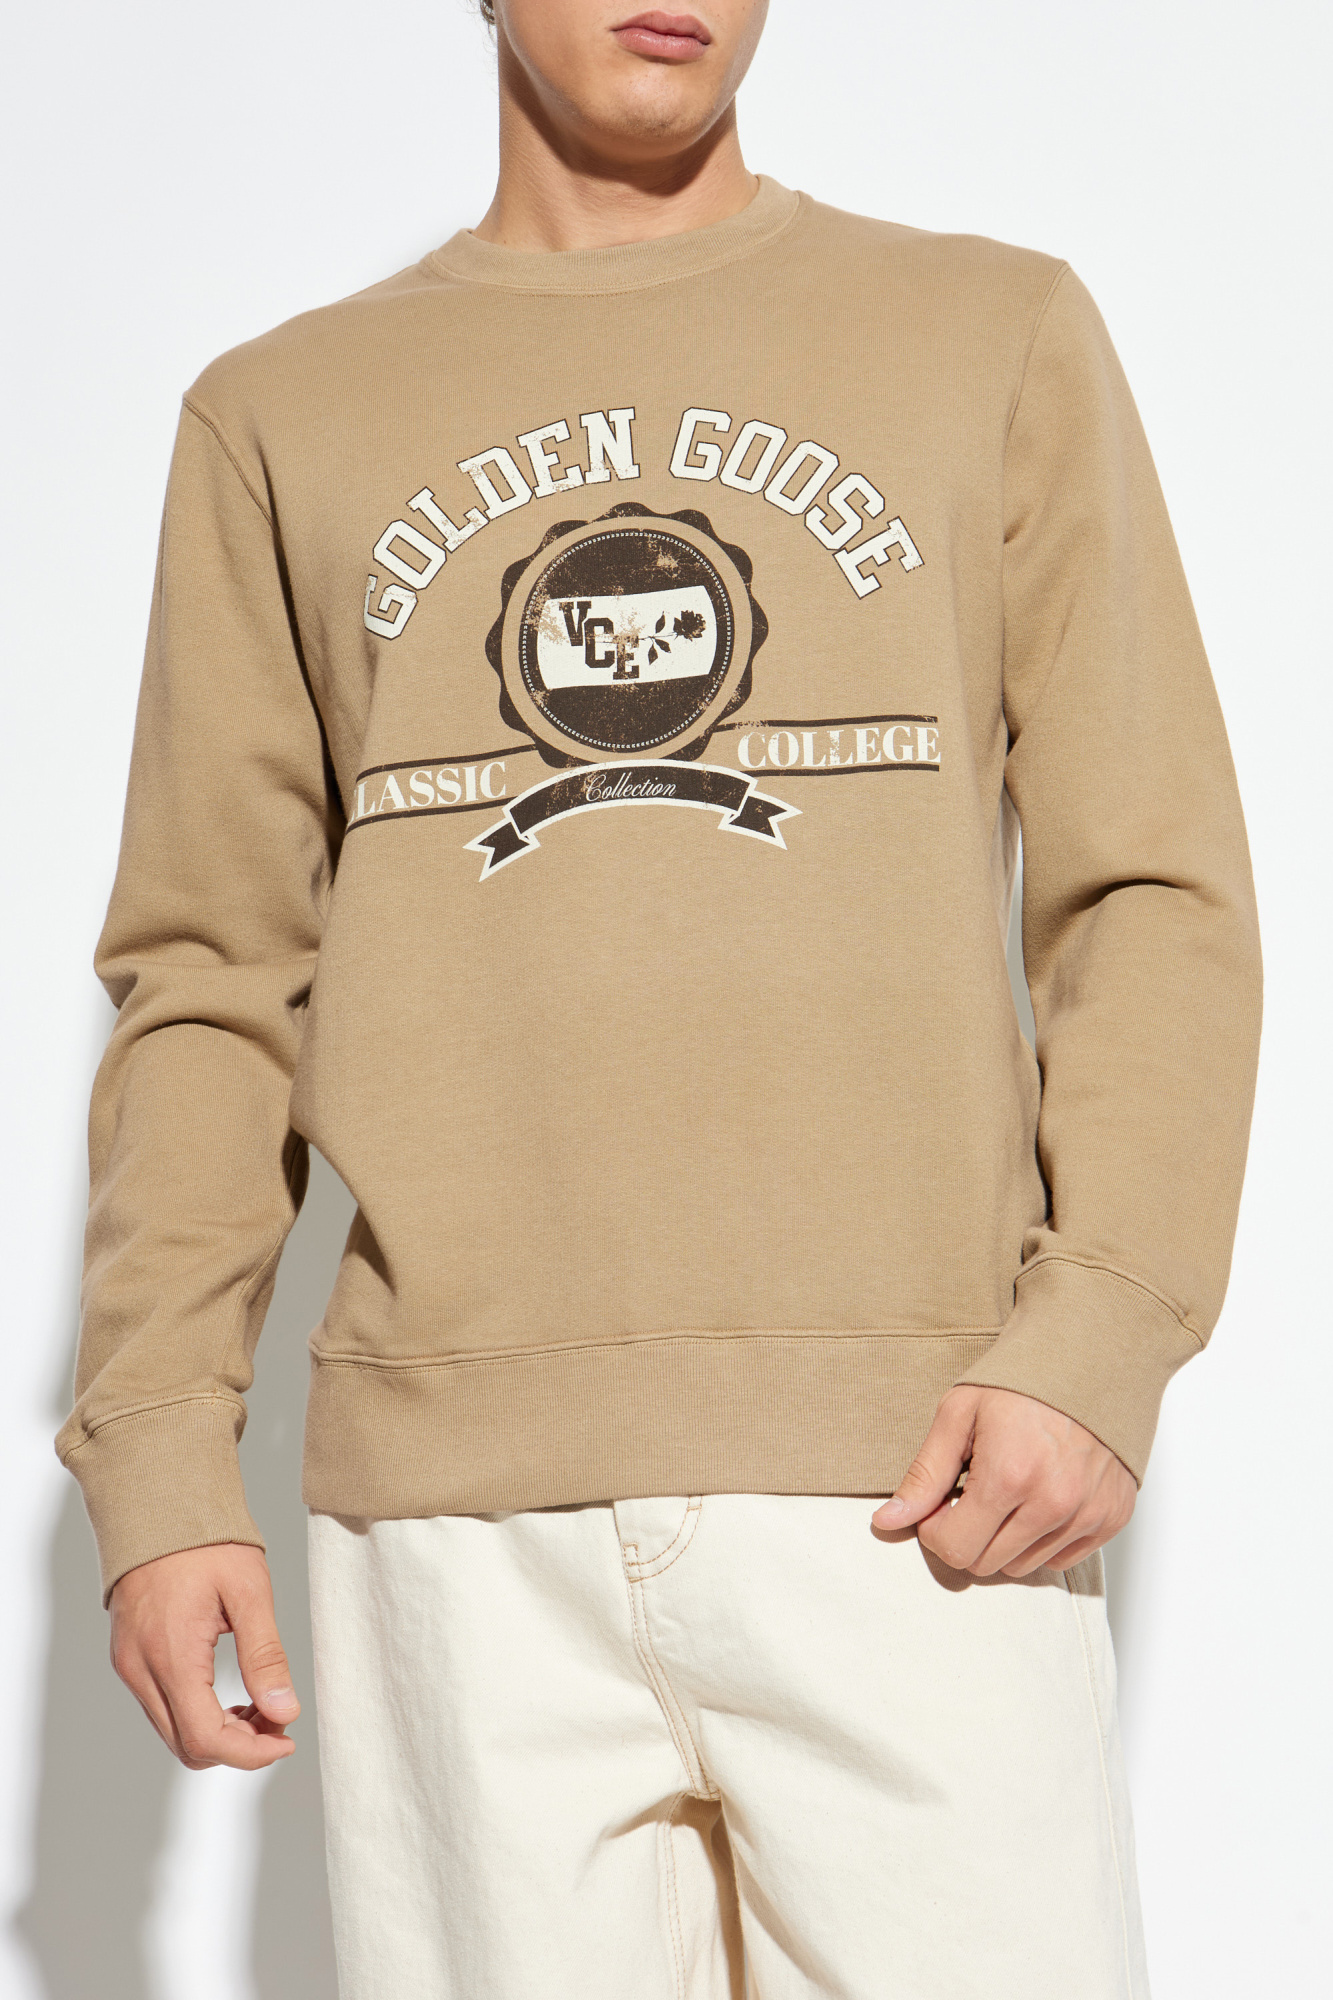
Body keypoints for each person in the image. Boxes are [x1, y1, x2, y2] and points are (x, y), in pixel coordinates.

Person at [58, 2, 1262, 1994]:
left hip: (913, 1482)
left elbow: (1146, 883)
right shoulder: (282, 415)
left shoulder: (988, 337)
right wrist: (162, 1456)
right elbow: (209, 974)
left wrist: (1102, 1330)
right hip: (454, 1536)